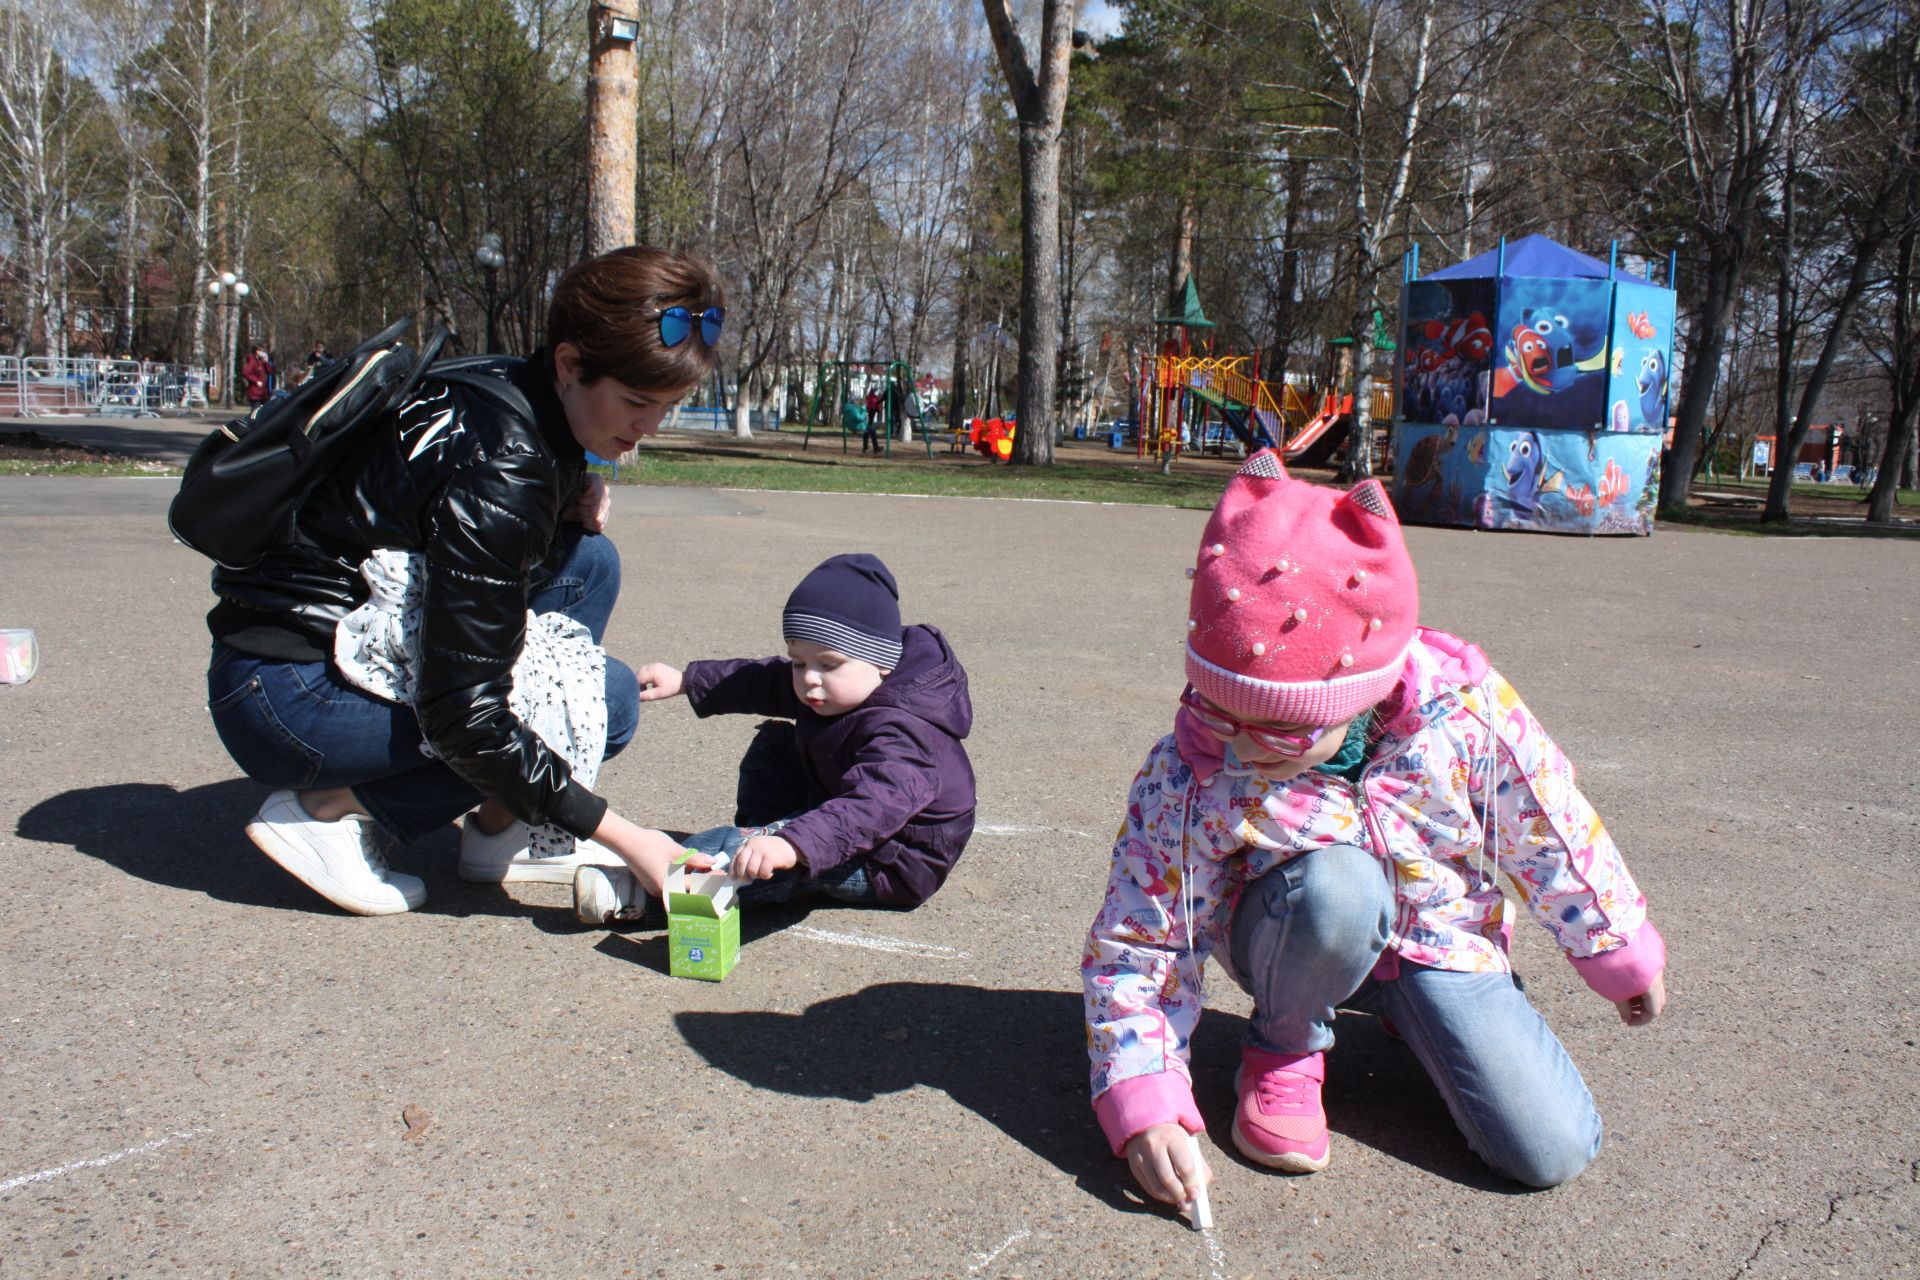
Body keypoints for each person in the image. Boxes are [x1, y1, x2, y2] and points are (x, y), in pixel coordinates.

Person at [1083, 448, 1668, 1211]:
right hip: (1296, 929)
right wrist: (1145, 1099)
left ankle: (1417, 1012)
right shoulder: (1197, 764)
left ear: (1364, 697)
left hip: (1438, 933)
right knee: (1339, 888)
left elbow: (1548, 827)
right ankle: (1285, 1045)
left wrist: (1615, 945)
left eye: (1282, 733)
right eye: (1220, 709)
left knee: (1550, 1148)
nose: (1243, 746)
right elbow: (1145, 936)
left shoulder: (1462, 714)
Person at [202, 245, 727, 915]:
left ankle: (497, 824)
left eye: (669, 404)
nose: (650, 427)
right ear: (569, 363)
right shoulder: (506, 473)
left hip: (291, 647)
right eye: (635, 401)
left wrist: (574, 483)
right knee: (610, 698)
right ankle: (325, 814)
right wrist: (625, 836)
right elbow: (466, 718)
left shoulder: (515, 386)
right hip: (287, 699)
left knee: (589, 565)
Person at [573, 552, 974, 921]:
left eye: (828, 664)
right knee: (775, 744)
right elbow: (762, 680)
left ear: (882, 662)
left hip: (891, 856)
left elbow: (870, 808)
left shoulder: (904, 732)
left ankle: (648, 894)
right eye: (800, 662)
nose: (809, 678)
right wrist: (686, 679)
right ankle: (762, 840)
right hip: (839, 802)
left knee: (764, 858)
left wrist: (793, 844)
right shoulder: (837, 686)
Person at [864, 385, 884, 454]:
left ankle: (866, 447)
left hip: (867, 420)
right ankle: (875, 448)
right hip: (869, 420)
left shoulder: (869, 398)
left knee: (867, 432)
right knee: (871, 431)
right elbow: (875, 409)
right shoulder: (873, 399)